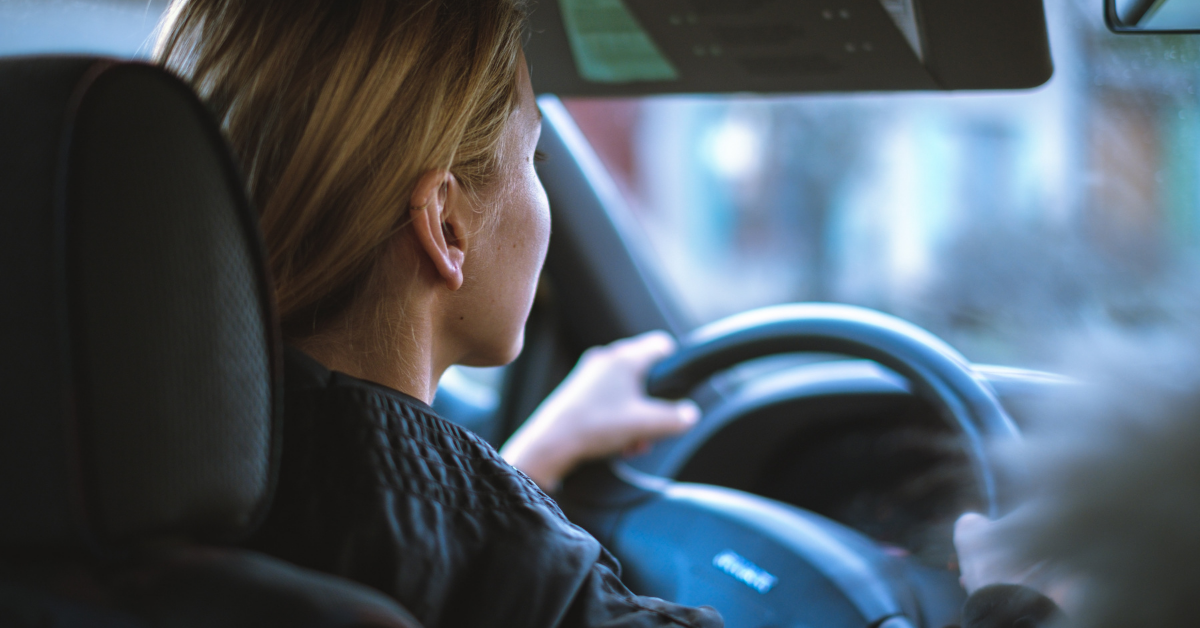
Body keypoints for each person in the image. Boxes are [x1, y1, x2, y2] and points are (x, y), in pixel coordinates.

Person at [153, 1, 1062, 626]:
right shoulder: (521, 581)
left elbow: (393, 535)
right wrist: (1015, 604)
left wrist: (528, 466)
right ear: (446, 224)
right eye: (535, 156)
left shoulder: (137, 472)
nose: (541, 193)